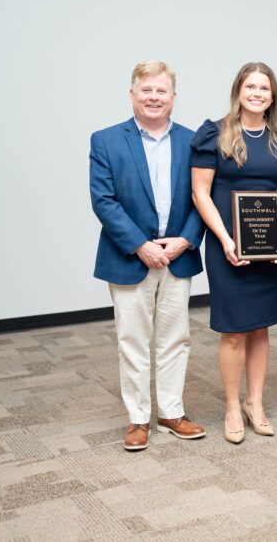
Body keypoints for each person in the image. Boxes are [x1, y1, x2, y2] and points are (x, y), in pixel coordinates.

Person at [89, 60, 206, 451]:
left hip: (177, 256)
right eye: (147, 90)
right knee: (133, 340)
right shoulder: (106, 140)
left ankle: (171, 413)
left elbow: (202, 198)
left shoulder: (194, 141)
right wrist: (141, 245)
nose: (154, 97)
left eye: (161, 90)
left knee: (175, 338)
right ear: (132, 94)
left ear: (173, 96)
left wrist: (184, 240)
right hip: (129, 257)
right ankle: (138, 419)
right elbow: (104, 201)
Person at [190, 62, 277, 444]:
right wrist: (224, 239)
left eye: (264, 88)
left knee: (260, 327)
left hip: (267, 249)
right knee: (234, 332)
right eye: (250, 86)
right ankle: (233, 406)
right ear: (238, 91)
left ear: (272, 96)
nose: (257, 94)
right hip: (228, 247)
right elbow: (200, 193)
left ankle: (256, 403)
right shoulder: (214, 134)